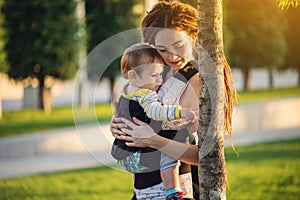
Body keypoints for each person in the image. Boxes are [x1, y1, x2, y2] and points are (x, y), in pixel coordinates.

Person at [110, 1, 237, 200]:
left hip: (179, 190)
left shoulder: (200, 83)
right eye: (162, 49)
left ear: (193, 35)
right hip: (143, 190)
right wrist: (120, 125)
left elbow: (207, 157)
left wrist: (153, 140)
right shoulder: (158, 73)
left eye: (178, 45)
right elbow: (139, 108)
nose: (172, 56)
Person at [111, 42, 197, 200]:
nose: (159, 80)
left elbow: (122, 111)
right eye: (154, 76)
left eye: (160, 74)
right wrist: (181, 112)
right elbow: (157, 112)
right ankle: (173, 191)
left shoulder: (127, 89)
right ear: (133, 76)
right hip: (140, 158)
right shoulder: (146, 94)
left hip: (125, 155)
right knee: (171, 146)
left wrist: (116, 120)